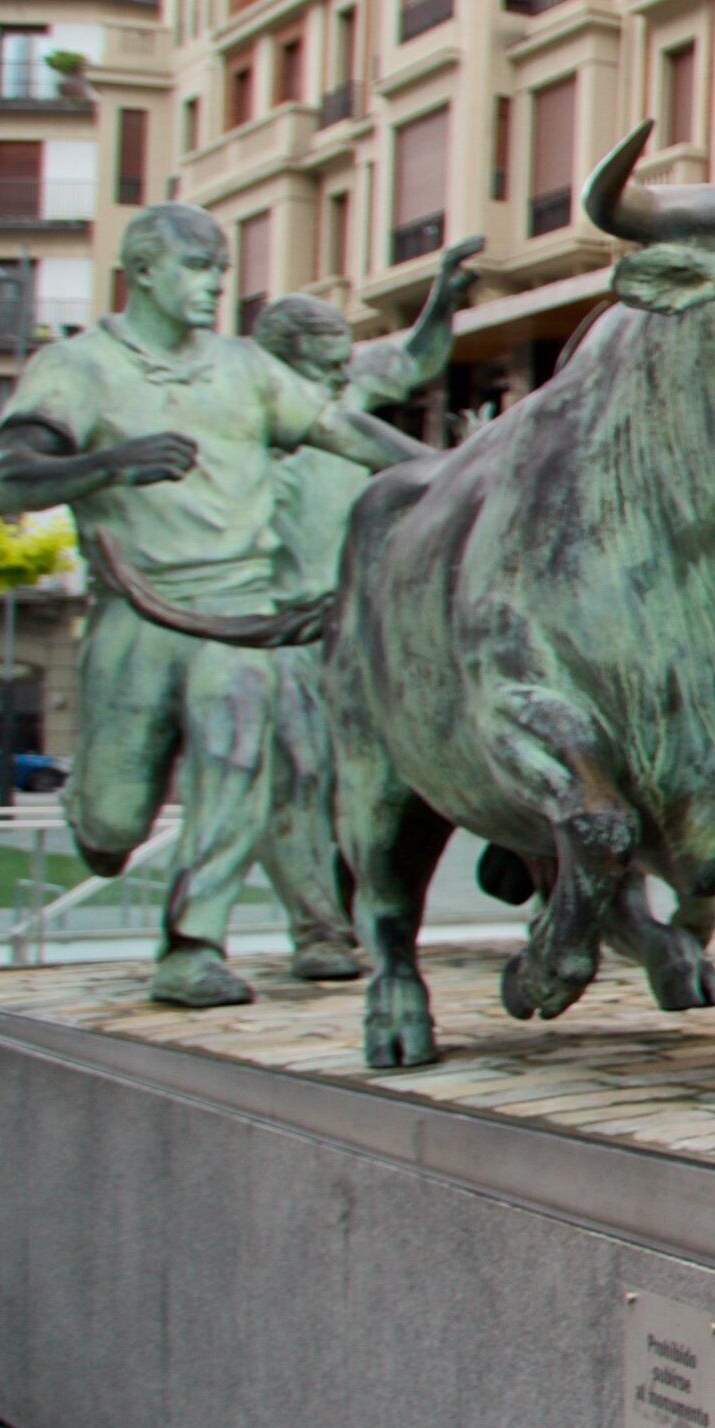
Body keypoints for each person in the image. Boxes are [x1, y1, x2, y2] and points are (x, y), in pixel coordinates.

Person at [0, 206, 427, 1005]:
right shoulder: (79, 367)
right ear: (143, 272)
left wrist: (454, 470)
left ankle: (192, 947)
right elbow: (11, 480)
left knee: (237, 766)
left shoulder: (243, 368)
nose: (214, 286)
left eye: (221, 272)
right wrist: (112, 464)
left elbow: (343, 430)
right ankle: (97, 819)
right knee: (116, 823)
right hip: (138, 616)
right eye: (196, 269)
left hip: (242, 617)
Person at [239, 242, 477, 973]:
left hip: (363, 617)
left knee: (375, 775)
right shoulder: (251, 411)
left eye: (346, 353)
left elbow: (414, 357)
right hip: (285, 624)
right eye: (328, 356)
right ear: (288, 357)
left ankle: (354, 909)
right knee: (301, 771)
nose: (346, 368)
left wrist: (443, 294)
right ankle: (316, 926)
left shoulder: (346, 397)